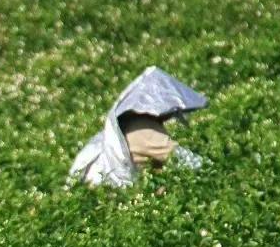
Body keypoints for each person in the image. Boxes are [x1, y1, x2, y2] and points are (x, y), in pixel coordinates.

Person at [68, 66, 207, 187]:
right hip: (104, 186)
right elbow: (183, 159)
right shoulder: (143, 128)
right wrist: (218, 168)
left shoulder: (129, 122)